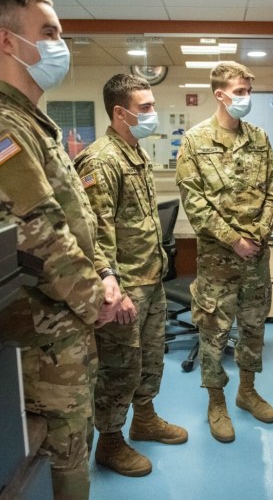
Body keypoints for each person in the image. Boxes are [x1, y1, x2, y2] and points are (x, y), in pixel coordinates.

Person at [0, 0, 123, 499]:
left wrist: (106, 275)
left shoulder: (32, 123)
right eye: (48, 33)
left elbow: (78, 218)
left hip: (65, 327)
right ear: (8, 41)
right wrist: (100, 302)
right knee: (62, 465)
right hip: (41, 335)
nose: (60, 44)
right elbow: (39, 234)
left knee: (75, 450)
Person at [74, 73, 187, 477]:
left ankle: (145, 417)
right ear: (120, 112)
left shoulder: (133, 152)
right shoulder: (101, 159)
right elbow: (94, 232)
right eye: (146, 107)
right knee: (119, 368)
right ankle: (110, 441)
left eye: (153, 105)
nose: (153, 113)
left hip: (149, 279)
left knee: (150, 359)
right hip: (124, 287)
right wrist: (113, 290)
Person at [176, 61, 273, 443]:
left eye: (249, 91)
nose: (246, 98)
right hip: (218, 260)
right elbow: (195, 202)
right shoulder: (195, 141)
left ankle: (247, 391)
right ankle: (216, 402)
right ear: (220, 94)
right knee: (214, 332)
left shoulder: (259, 138)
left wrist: (259, 231)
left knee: (253, 328)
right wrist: (235, 239)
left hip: (257, 257)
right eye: (240, 92)